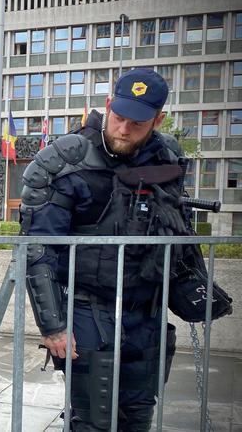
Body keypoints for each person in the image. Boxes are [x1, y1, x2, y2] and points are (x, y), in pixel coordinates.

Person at [20, 68, 232, 431]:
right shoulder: (66, 158)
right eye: (118, 117)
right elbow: (38, 249)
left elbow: (175, 229)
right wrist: (53, 325)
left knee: (137, 416)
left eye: (137, 122)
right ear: (107, 106)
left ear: (158, 119)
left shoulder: (167, 156)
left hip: (146, 312)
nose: (123, 129)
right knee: (93, 420)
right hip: (88, 309)